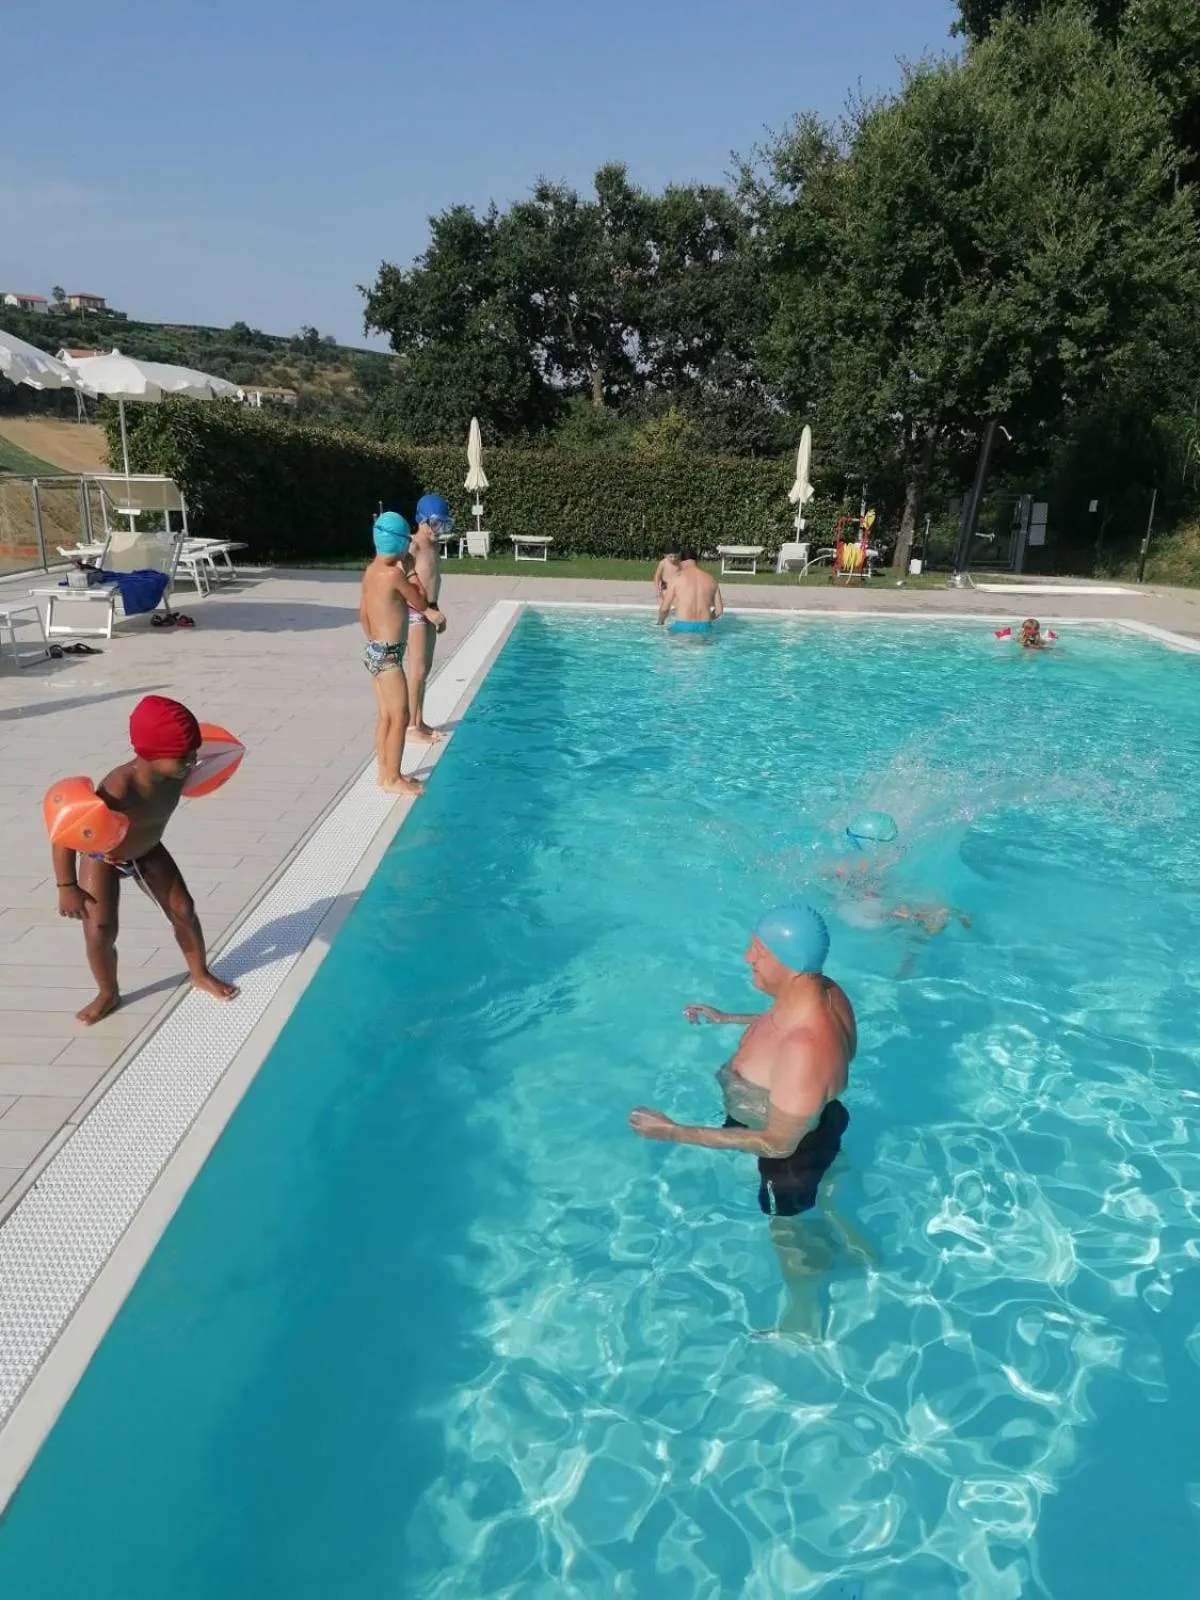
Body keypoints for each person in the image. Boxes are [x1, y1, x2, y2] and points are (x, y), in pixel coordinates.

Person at [630, 906, 865, 1337]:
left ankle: (803, 1316)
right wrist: (728, 1018)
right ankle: (854, 1243)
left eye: (758, 952)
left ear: (789, 962)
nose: (747, 958)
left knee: (787, 1231)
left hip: (789, 1156)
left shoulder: (804, 1049)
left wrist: (673, 1131)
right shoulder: (826, 992)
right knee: (830, 1181)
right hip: (824, 1119)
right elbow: (786, 1023)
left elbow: (778, 1144)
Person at [53, 695, 239, 1026]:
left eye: (193, 752)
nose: (192, 760)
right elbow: (65, 829)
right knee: (100, 930)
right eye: (184, 756)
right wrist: (67, 886)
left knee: (184, 910)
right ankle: (107, 993)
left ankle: (199, 972)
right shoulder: (117, 789)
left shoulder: (178, 771)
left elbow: (212, 755)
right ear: (149, 755)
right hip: (104, 855)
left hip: (147, 849)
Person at [360, 511, 446, 797]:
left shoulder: (371, 572)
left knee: (386, 716)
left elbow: (363, 614)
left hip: (374, 650)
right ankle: (394, 778)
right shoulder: (394, 575)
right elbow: (420, 601)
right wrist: (410, 570)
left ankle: (385, 773)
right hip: (388, 656)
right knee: (400, 715)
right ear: (400, 545)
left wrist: (375, 640)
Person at [405, 494, 452, 743]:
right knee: (417, 669)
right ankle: (411, 728)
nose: (439, 530)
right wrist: (427, 611)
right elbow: (407, 584)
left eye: (443, 524)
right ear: (421, 520)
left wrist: (436, 611)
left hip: (431, 610)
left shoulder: (433, 546)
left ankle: (419, 721)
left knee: (426, 670)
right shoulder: (414, 545)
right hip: (416, 612)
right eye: (435, 524)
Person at [657, 546, 724, 636]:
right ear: (697, 561)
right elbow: (719, 611)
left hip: (682, 626)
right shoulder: (711, 579)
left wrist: (660, 622)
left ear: (680, 561)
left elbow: (664, 609)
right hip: (705, 626)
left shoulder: (676, 579)